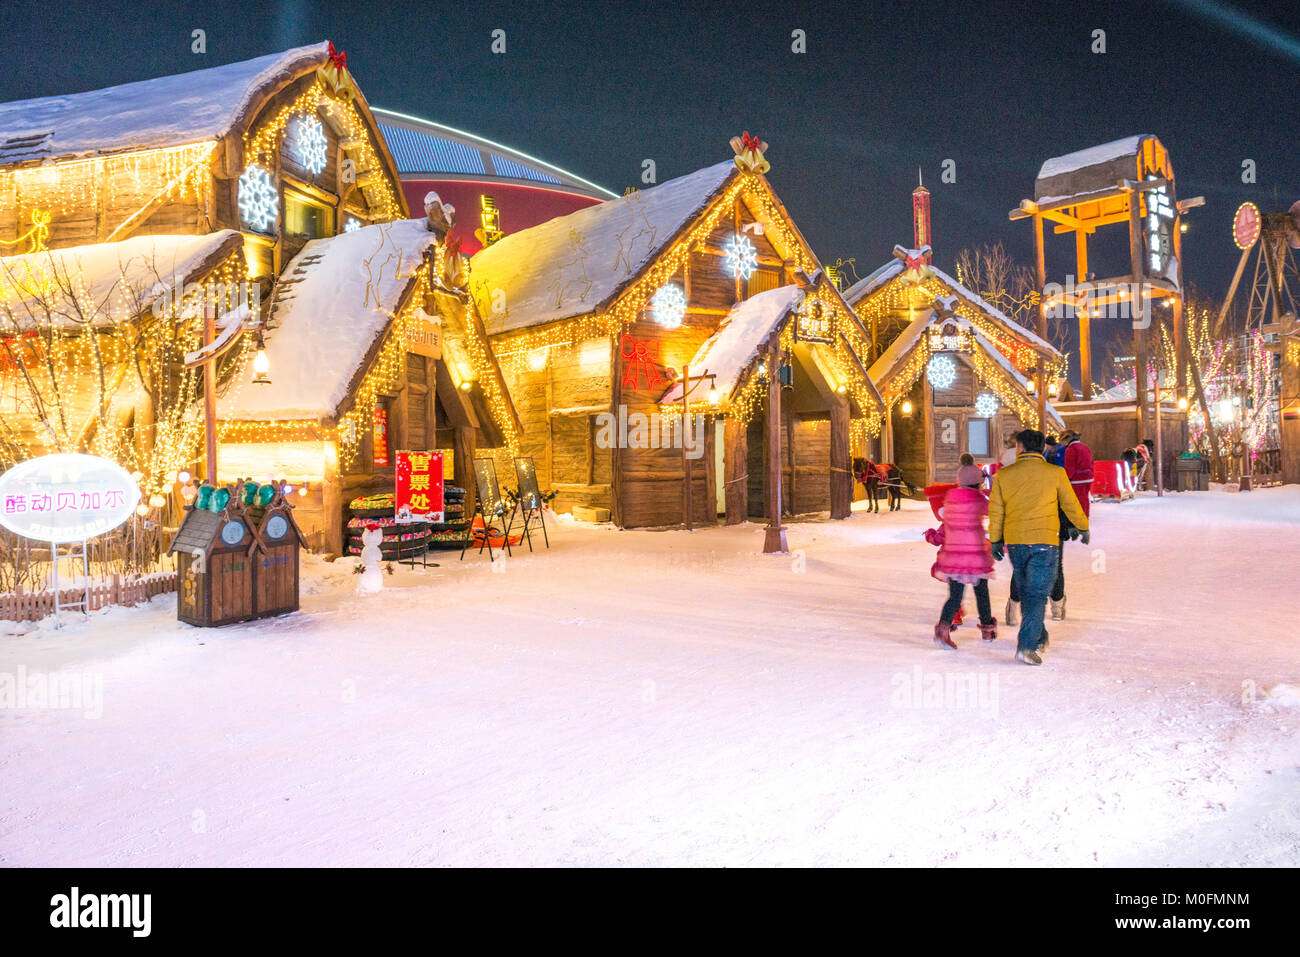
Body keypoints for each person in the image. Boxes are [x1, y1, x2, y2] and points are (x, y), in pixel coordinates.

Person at [989, 429, 1090, 665]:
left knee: (1028, 591)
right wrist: (1083, 526)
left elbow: (996, 511)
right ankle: (1027, 645)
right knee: (1035, 594)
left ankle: (1039, 636)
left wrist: (995, 539)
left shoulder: (1005, 475)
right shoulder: (1056, 473)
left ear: (1020, 448)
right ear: (1043, 448)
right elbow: (1071, 504)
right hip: (1046, 541)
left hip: (1016, 542)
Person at [925, 464, 996, 649]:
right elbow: (993, 510)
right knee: (982, 593)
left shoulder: (951, 497)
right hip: (975, 554)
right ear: (978, 483)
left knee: (955, 596)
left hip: (954, 554)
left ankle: (942, 631)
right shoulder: (979, 499)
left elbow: (945, 518)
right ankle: (987, 629)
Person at [1050, 429, 1094, 619]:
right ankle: (1082, 521)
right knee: (1083, 502)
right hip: (1088, 478)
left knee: (1072, 502)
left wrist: (1065, 479)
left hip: (1075, 480)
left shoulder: (1070, 450)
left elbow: (1069, 468)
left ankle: (1073, 524)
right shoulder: (1085, 447)